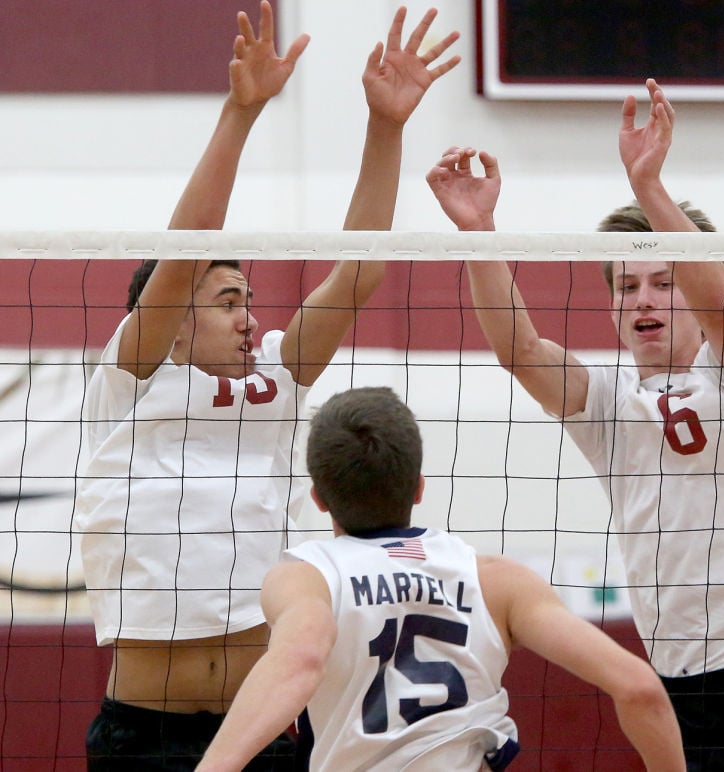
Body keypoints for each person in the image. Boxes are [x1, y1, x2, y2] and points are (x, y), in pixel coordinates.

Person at [426, 79, 724, 769]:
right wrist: (477, 236)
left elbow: (718, 296)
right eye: (627, 286)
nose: (644, 298)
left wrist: (650, 186)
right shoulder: (605, 401)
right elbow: (519, 351)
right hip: (692, 694)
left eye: (663, 280)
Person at [73, 4, 460, 768]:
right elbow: (184, 248)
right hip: (145, 736)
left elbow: (361, 274)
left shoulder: (275, 381)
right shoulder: (131, 379)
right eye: (226, 302)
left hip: (261, 734)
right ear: (175, 321)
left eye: (249, 300)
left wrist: (386, 127)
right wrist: (242, 112)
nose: (249, 318)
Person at [193, 386, 687, 772]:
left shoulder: (306, 577)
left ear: (319, 497)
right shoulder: (497, 580)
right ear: (420, 486)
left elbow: (301, 659)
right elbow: (639, 688)